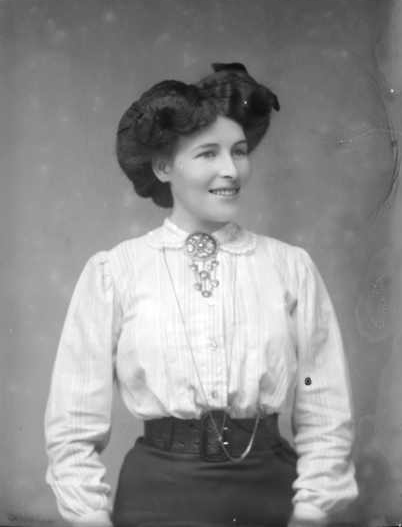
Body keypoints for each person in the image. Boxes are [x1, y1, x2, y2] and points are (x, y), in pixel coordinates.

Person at [45, 63, 358, 527]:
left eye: (239, 151)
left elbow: (324, 401)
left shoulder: (290, 268)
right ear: (163, 166)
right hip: (156, 498)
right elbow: (72, 424)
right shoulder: (114, 273)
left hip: (271, 494)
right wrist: (90, 517)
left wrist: (312, 511)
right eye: (209, 153)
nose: (231, 170)